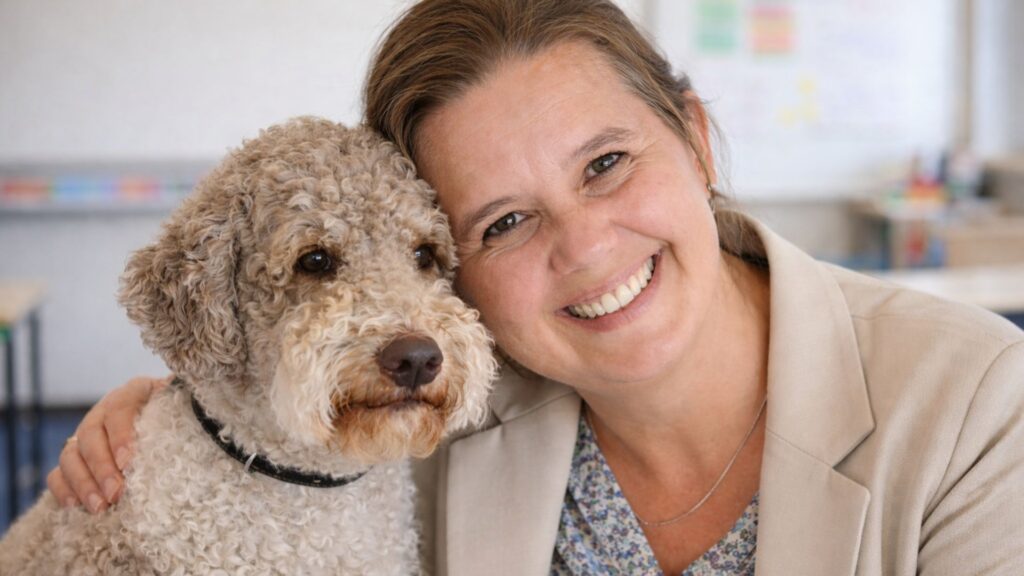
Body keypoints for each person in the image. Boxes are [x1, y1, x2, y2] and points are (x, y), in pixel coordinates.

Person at [46, 1, 1024, 574]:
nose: (587, 245)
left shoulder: (979, 406)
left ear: (692, 135)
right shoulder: (430, 416)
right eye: (502, 222)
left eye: (605, 163)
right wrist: (169, 416)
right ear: (451, 266)